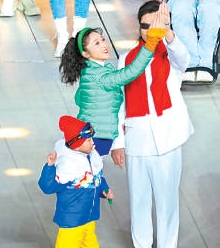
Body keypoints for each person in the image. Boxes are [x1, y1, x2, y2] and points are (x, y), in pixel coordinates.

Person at [117, 0, 193, 248]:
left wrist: (168, 32)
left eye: (155, 25)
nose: (150, 31)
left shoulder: (170, 54)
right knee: (138, 201)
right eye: (145, 26)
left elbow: (185, 59)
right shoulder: (127, 58)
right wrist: (117, 142)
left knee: (166, 201)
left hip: (168, 138)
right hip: (137, 138)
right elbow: (119, 102)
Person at [39, 115, 125, 248]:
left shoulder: (90, 156)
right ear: (77, 143)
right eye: (88, 140)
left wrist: (104, 190)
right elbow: (47, 187)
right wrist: (49, 167)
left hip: (87, 218)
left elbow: (96, 178)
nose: (93, 142)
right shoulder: (66, 166)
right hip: (71, 222)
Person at [59, 13, 168, 158]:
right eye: (96, 43)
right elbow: (131, 72)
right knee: (88, 170)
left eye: (102, 39)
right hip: (95, 136)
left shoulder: (90, 72)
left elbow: (79, 99)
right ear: (85, 54)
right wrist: (151, 44)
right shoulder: (98, 76)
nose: (104, 45)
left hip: (91, 134)